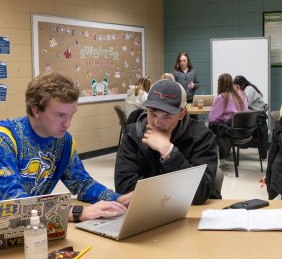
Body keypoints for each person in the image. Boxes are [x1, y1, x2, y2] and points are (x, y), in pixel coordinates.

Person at [0, 72, 133, 222]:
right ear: (36, 110)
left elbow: (82, 183)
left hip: (34, 226)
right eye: (60, 115)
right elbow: (15, 204)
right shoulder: (5, 140)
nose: (67, 123)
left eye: (71, 115)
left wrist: (118, 199)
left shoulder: (63, 141)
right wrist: (75, 213)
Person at [114, 79, 219, 204]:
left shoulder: (202, 137)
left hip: (190, 214)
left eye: (167, 116)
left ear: (181, 114)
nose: (157, 123)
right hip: (148, 213)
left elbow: (200, 193)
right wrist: (176, 192)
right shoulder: (132, 136)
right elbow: (124, 188)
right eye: (152, 114)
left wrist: (169, 152)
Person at [208, 73, 248, 159]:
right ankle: (223, 153)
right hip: (244, 130)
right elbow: (245, 111)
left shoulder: (221, 97)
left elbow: (211, 118)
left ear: (220, 84)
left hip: (230, 132)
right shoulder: (242, 93)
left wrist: (222, 117)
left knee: (211, 126)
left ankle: (214, 157)